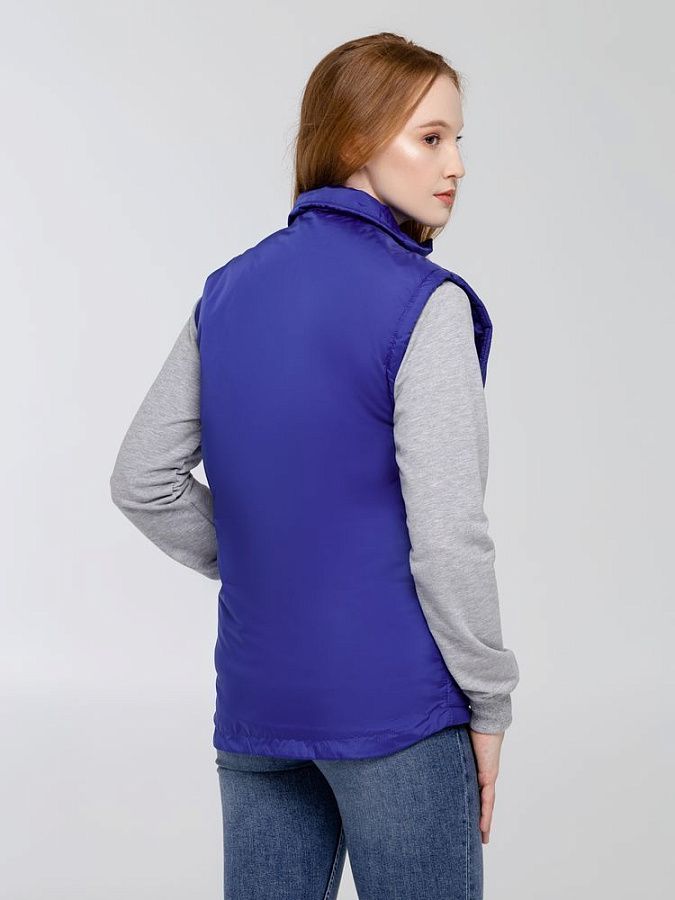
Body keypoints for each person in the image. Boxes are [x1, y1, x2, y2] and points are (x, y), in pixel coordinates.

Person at [110, 31, 520, 900]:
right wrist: (490, 701)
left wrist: (265, 562)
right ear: (354, 141)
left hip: (258, 708)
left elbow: (143, 479)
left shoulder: (227, 291)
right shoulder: (423, 303)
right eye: (430, 138)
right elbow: (448, 535)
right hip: (395, 712)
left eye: (456, 139)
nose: (455, 165)